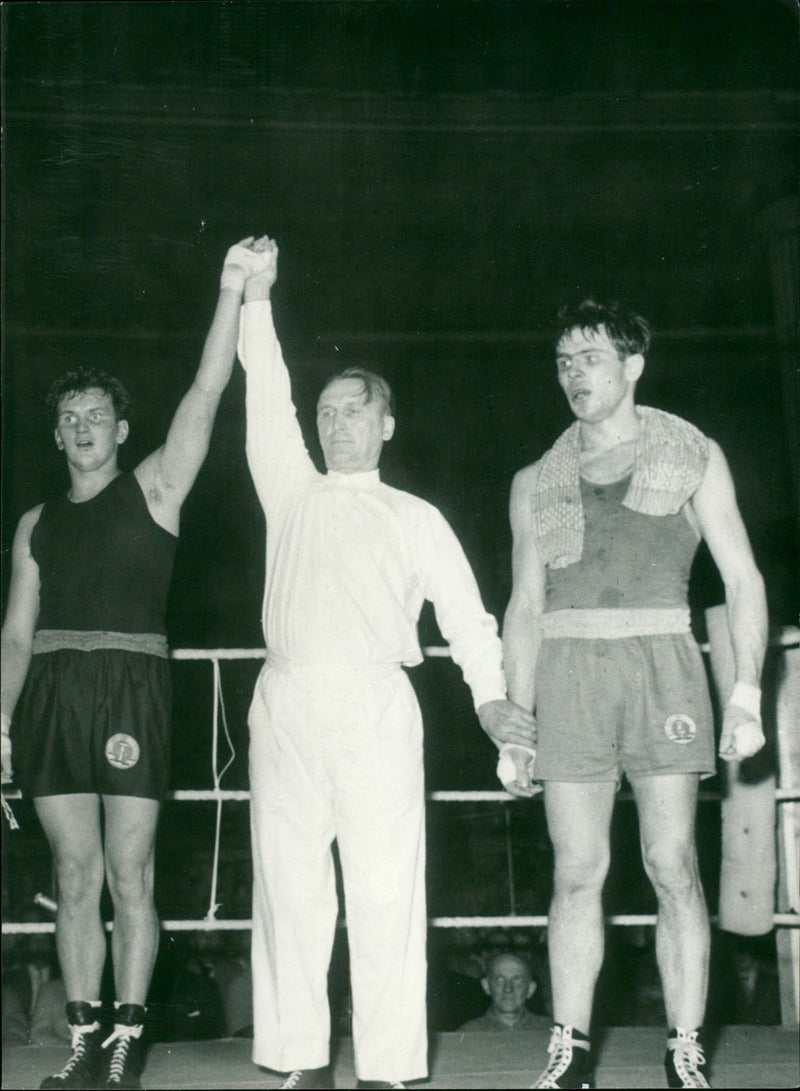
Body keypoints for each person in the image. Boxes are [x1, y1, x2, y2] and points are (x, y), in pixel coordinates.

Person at [238, 236, 535, 1090]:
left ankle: (387, 1070)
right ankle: (298, 1061)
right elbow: (265, 397)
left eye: (354, 409)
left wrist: (493, 710)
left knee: (383, 895)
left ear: (386, 424)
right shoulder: (287, 489)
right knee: (289, 893)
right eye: (327, 410)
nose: (336, 421)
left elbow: (471, 620)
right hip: (286, 702)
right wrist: (259, 295)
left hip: (375, 706)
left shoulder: (415, 516)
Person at [0, 238, 274, 1089]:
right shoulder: (36, 521)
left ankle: (126, 1043)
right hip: (52, 689)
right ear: (58, 432)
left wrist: (230, 288)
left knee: (131, 872)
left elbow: (206, 390)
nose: (83, 429)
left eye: (97, 417)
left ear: (121, 430)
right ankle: (83, 1045)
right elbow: (14, 633)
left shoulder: (155, 487)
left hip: (131, 690)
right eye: (69, 418)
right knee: (72, 874)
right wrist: (0, 723)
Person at [501, 299, 768, 1090]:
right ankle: (570, 1047)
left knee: (671, 861)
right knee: (576, 869)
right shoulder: (535, 479)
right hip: (570, 670)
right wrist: (516, 726)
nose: (573, 374)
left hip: (663, 664)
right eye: (563, 362)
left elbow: (743, 576)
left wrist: (748, 691)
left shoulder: (692, 455)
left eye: (589, 358)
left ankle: (684, 1045)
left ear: (632, 366)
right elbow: (523, 606)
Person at [458, 950, 549, 1033]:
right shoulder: (468, 1033)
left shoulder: (551, 1031)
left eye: (516, 980)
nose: (508, 989)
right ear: (486, 986)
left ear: (530, 989)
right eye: (500, 980)